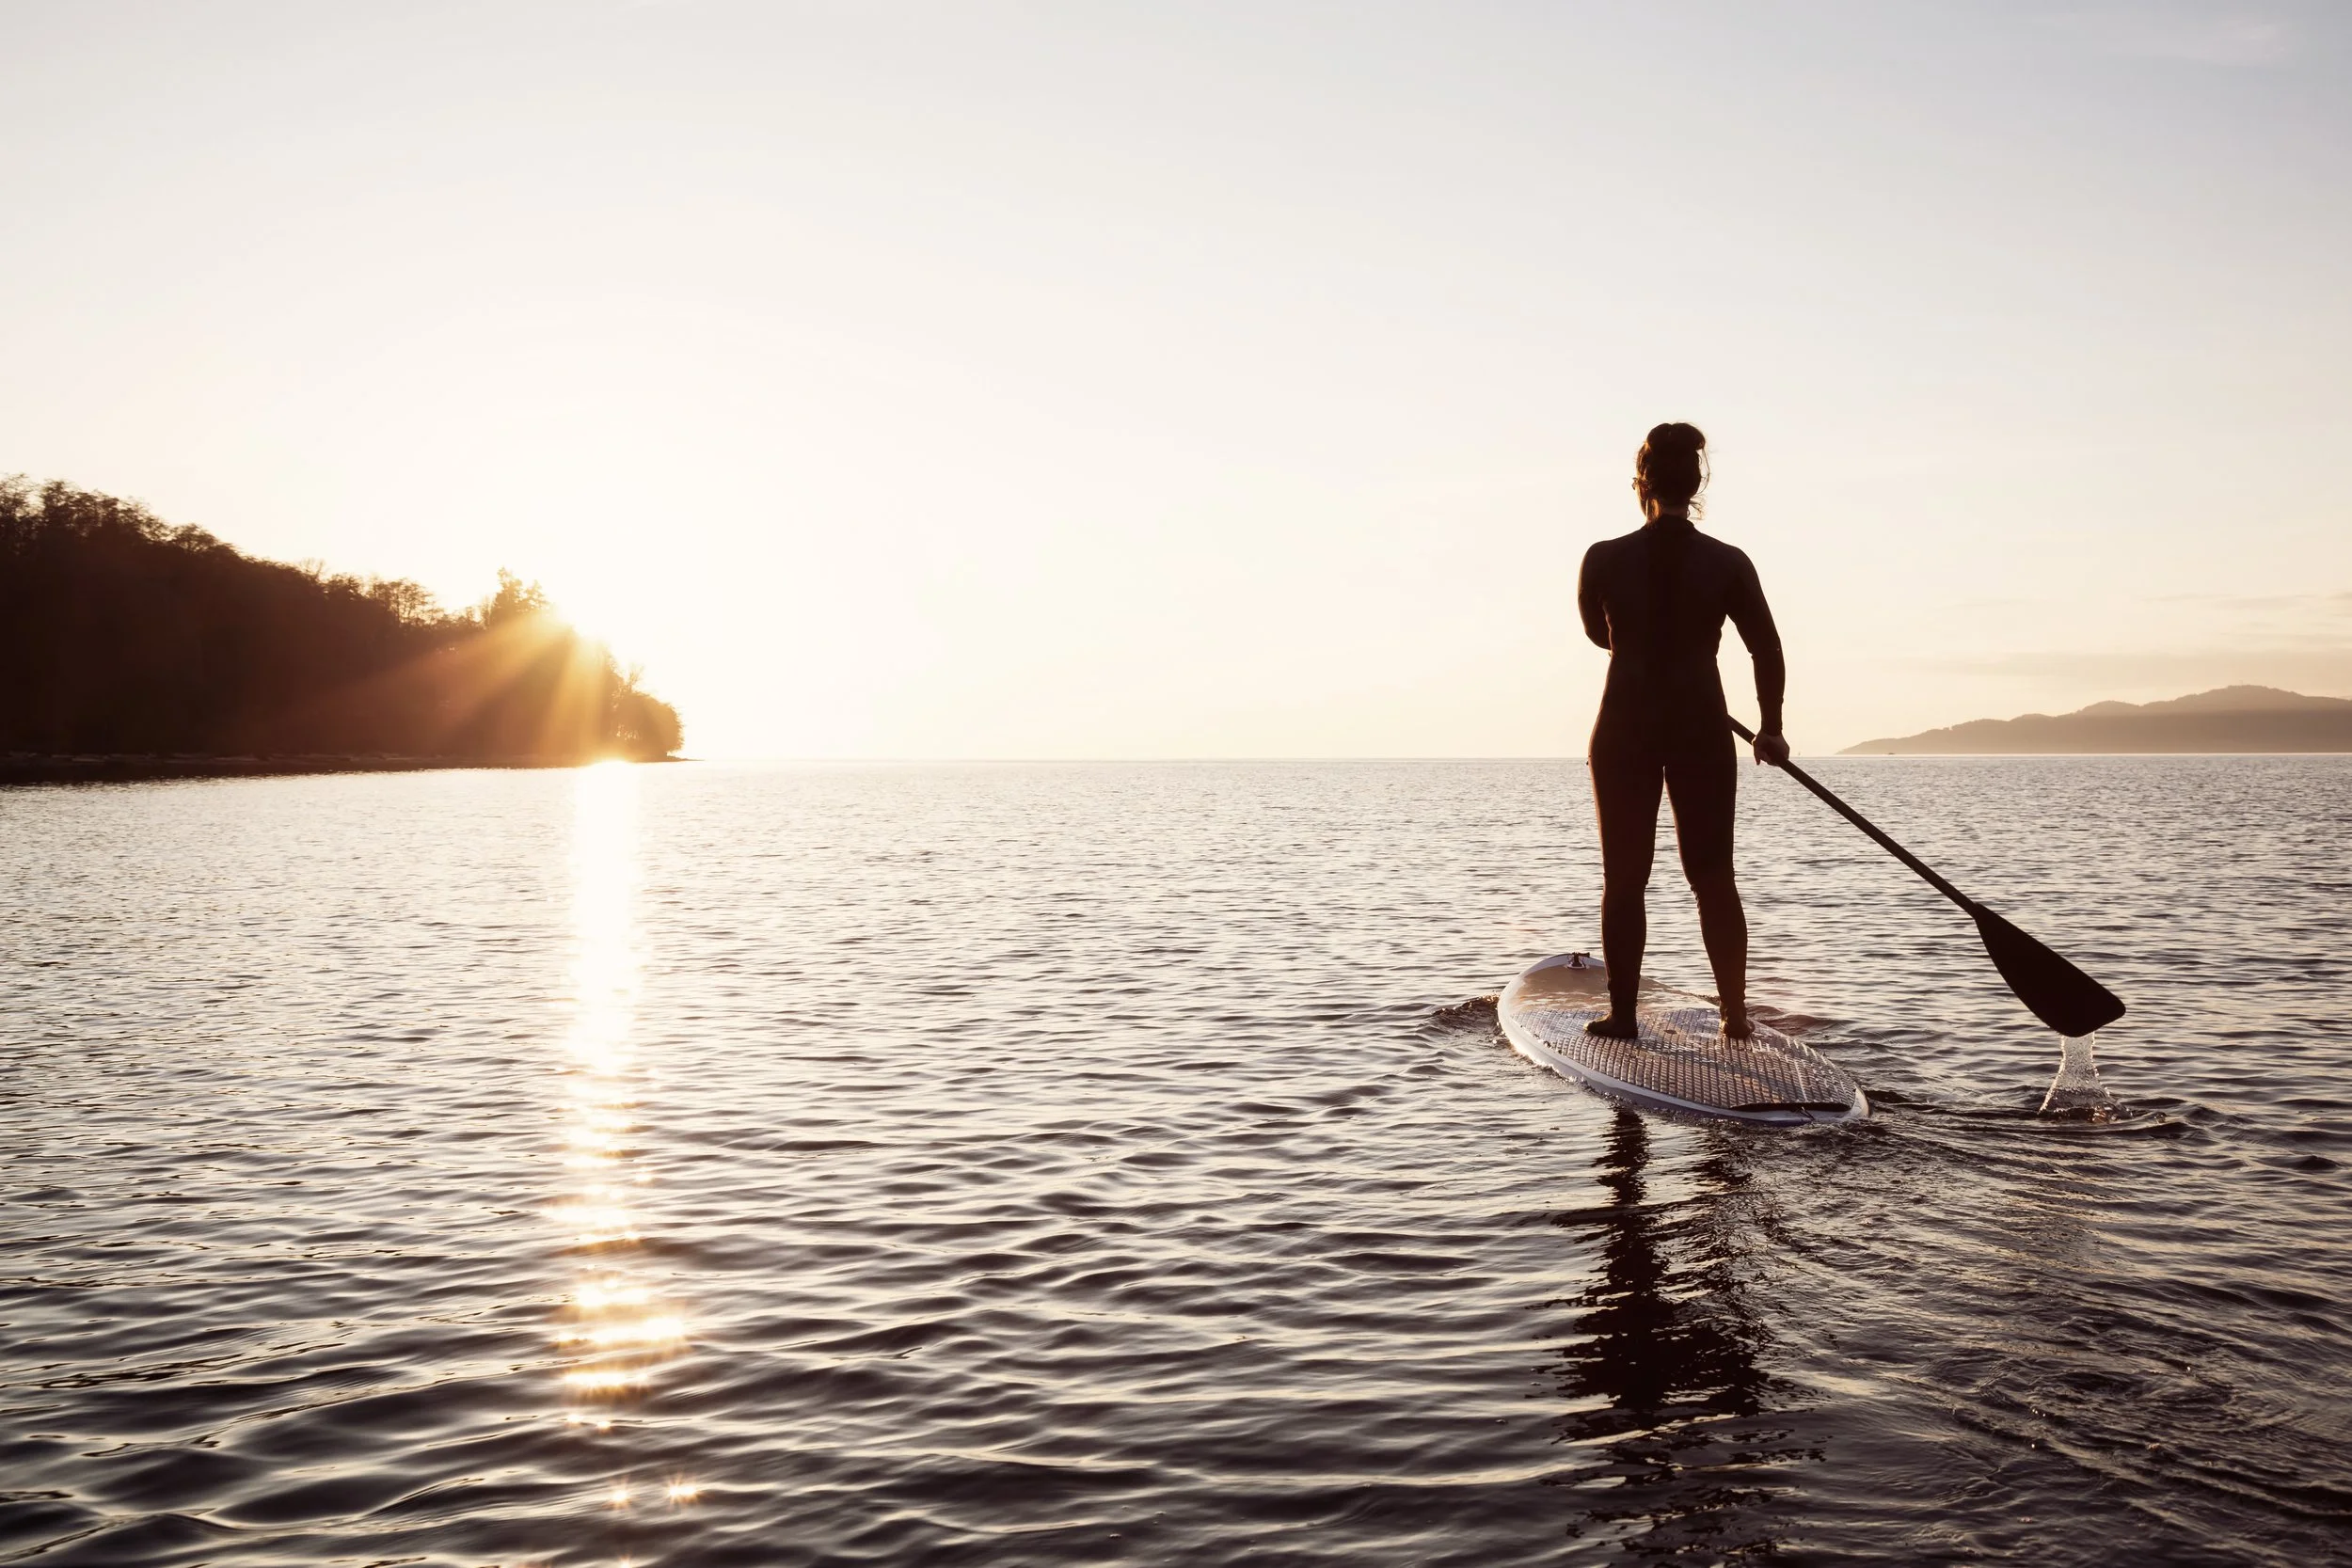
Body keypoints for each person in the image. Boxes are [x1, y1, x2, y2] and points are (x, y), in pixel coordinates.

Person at [1577, 423, 1788, 1040]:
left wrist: (1643, 643)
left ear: (1640, 483)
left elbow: (1599, 633)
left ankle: (1622, 1016)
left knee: (1625, 876)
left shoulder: (1603, 558)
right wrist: (1770, 728)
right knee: (1713, 874)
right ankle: (1736, 1015)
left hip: (1624, 728)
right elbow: (1766, 648)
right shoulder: (1727, 562)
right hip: (1700, 725)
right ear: (1698, 484)